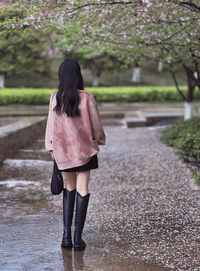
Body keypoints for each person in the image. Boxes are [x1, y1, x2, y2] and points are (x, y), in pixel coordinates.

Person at [45, 58, 106, 251]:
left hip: (63, 152)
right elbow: (96, 125)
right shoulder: (87, 97)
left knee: (69, 188)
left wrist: (51, 147)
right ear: (78, 74)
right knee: (82, 189)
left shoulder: (56, 97)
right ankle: (77, 240)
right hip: (85, 151)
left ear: (61, 75)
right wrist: (100, 139)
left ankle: (65, 238)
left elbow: (50, 126)